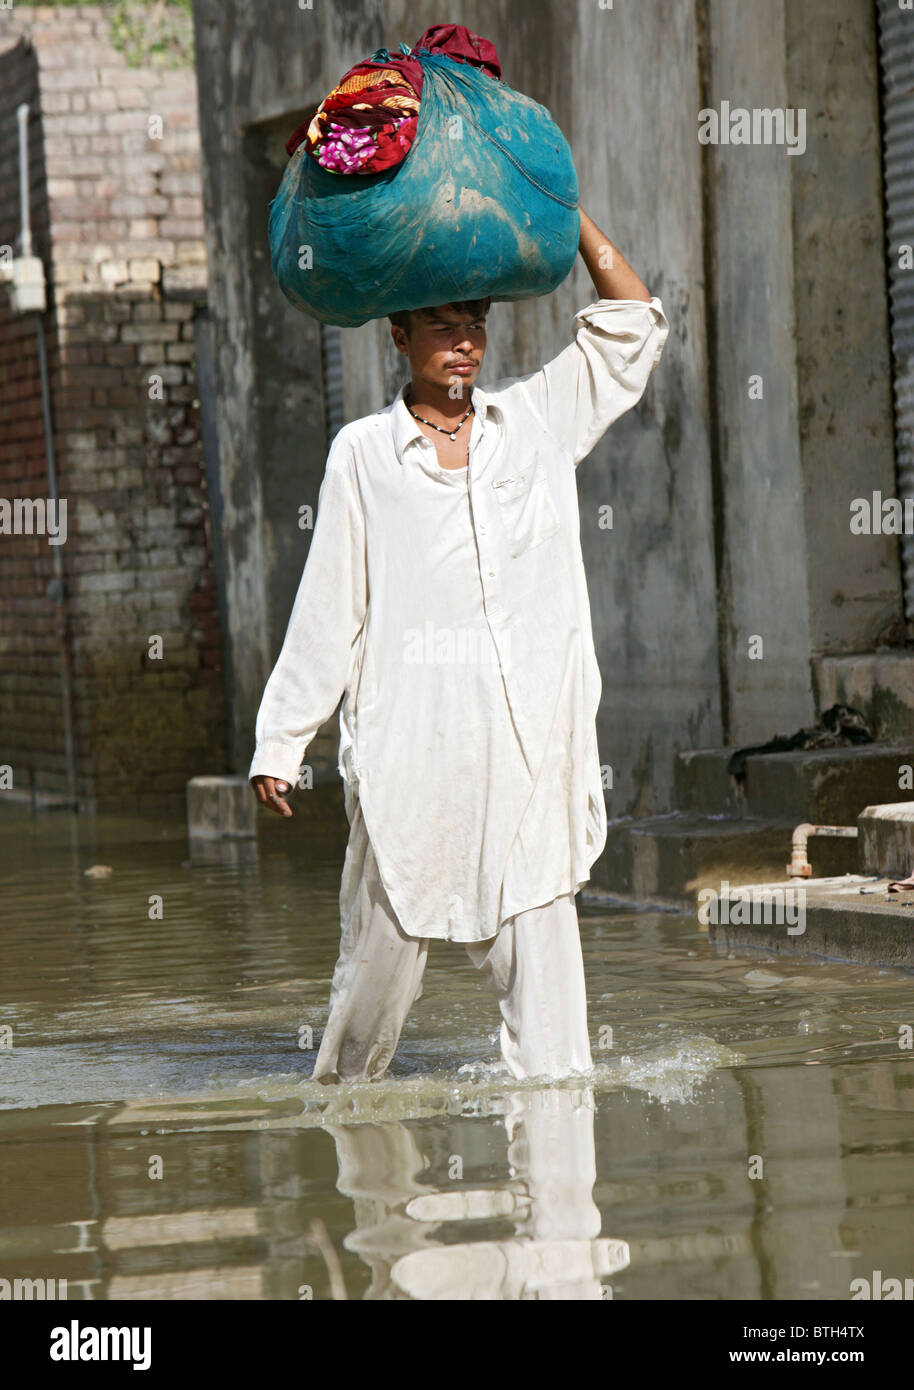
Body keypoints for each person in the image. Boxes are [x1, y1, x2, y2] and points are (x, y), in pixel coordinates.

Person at [249, 206, 670, 1084]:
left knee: (555, 1053)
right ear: (398, 336)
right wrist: (283, 741)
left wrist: (568, 213)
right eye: (442, 324)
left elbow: (631, 323)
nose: (465, 341)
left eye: (475, 322)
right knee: (366, 1014)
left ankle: (558, 1209)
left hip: (528, 761)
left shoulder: (538, 423)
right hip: (414, 761)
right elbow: (332, 605)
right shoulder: (363, 455)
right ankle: (363, 1185)